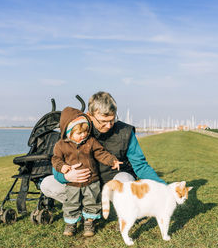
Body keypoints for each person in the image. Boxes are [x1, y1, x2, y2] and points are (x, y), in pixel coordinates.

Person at [40, 91, 166, 225]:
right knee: (47, 184)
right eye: (103, 121)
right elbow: (57, 164)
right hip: (82, 185)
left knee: (126, 179)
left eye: (113, 120)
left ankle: (124, 212)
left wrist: (163, 188)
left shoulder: (125, 132)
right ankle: (88, 210)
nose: (109, 125)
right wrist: (67, 177)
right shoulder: (76, 130)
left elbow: (140, 166)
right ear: (90, 115)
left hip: (112, 183)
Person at [52, 106, 122, 237]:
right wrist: (62, 167)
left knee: (92, 201)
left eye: (85, 131)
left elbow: (101, 153)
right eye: (79, 133)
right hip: (72, 183)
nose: (83, 135)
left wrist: (112, 160)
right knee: (71, 203)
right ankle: (71, 224)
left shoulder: (90, 141)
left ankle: (89, 223)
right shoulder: (61, 145)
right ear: (68, 132)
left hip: (91, 180)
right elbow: (55, 159)